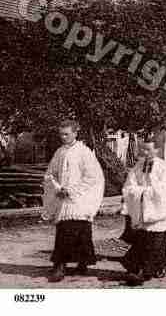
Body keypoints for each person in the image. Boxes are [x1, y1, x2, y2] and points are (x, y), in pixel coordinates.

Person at [42, 120, 105, 283]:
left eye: (66, 134)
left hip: (80, 199)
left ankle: (82, 263)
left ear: (75, 133)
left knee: (81, 231)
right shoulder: (59, 152)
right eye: (61, 134)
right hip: (64, 198)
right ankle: (60, 265)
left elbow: (93, 177)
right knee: (64, 230)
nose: (63, 137)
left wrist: (72, 190)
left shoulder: (84, 152)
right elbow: (50, 174)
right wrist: (57, 188)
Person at [120, 138, 166, 286]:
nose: (145, 152)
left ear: (157, 150)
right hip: (142, 210)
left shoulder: (163, 168)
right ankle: (159, 266)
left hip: (158, 210)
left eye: (148, 150)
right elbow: (129, 184)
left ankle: (145, 271)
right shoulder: (138, 166)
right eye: (143, 149)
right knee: (145, 240)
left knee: (155, 241)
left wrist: (145, 192)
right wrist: (137, 192)